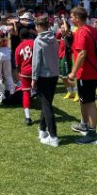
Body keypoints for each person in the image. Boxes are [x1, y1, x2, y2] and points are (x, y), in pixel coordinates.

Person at [68, 6, 97, 145]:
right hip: (93, 71)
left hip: (87, 73)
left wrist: (73, 72)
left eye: (71, 16)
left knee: (89, 102)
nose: (71, 19)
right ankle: (84, 125)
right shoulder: (92, 30)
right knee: (84, 100)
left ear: (77, 17)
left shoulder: (81, 32)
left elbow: (82, 53)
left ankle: (92, 133)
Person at [32, 16, 61, 147]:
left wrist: (34, 78)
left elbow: (36, 62)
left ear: (39, 27)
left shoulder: (38, 40)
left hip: (44, 76)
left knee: (47, 105)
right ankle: (42, 130)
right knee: (47, 102)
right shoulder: (54, 38)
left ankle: (53, 136)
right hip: (54, 74)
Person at [15, 28, 35, 125]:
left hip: (25, 72)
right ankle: (46, 112)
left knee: (26, 93)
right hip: (36, 71)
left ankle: (28, 117)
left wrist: (19, 72)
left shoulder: (18, 48)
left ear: (20, 36)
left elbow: (17, 64)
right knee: (43, 92)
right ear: (29, 34)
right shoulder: (34, 43)